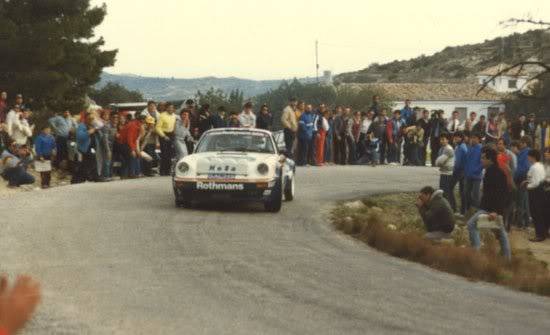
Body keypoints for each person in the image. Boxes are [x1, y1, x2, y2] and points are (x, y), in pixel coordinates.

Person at [466, 146, 512, 260]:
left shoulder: (495, 172)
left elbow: (501, 194)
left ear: (490, 159)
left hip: (491, 209)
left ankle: (476, 253)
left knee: (471, 224)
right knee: (500, 231)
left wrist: (496, 212)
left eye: (483, 158)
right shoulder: (491, 171)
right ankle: (507, 258)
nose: (481, 160)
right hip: (491, 208)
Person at [522, 149, 547, 242]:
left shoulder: (534, 167)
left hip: (535, 192)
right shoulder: (540, 166)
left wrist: (527, 186)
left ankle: (539, 235)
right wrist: (528, 181)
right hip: (540, 191)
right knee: (540, 213)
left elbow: (535, 183)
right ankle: (542, 233)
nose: (527, 157)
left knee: (536, 213)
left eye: (528, 156)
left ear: (532, 157)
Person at [72, 113, 98, 183]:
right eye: (89, 118)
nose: (91, 120)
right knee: (83, 164)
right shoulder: (82, 126)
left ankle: (92, 177)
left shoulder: (92, 126)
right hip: (84, 148)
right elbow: (80, 137)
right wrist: (88, 132)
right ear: (86, 119)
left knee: (92, 161)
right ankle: (77, 179)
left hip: (92, 148)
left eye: (92, 119)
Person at [514, 136, 532, 228]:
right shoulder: (523, 152)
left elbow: (524, 167)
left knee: (520, 202)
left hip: (521, 179)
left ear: (525, 143)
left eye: (521, 142)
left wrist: (515, 176)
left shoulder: (526, 152)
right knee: (524, 201)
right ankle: (526, 222)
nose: (519, 144)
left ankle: (520, 223)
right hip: (523, 179)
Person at [156, 103, 177, 176]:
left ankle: (168, 171)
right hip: (163, 134)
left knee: (170, 154)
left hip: (171, 135)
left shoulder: (174, 116)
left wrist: (174, 134)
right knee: (164, 154)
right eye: (169, 108)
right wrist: (164, 136)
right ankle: (162, 171)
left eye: (172, 108)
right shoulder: (162, 115)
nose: (171, 109)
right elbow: (158, 127)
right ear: (166, 108)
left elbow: (174, 125)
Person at [464, 132, 483, 211]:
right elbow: (467, 160)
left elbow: (482, 162)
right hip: (468, 175)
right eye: (472, 138)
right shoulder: (470, 148)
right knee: (467, 193)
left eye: (475, 138)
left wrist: (477, 170)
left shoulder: (481, 148)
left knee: (475, 195)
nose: (473, 139)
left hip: (476, 176)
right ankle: (468, 210)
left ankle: (476, 210)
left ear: (479, 140)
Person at [451, 131, 468, 214]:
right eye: (455, 137)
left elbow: (458, 163)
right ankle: (462, 210)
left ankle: (454, 208)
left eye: (457, 137)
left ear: (461, 138)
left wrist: (453, 168)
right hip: (461, 171)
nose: (455, 138)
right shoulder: (459, 146)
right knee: (462, 192)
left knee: (450, 188)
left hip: (459, 171)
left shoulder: (462, 148)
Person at [435, 133, 455, 205]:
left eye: (443, 139)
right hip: (444, 173)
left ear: (447, 140)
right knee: (444, 192)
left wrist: (438, 162)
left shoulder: (448, 149)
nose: (441, 141)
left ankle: (451, 208)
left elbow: (439, 162)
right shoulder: (442, 149)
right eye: (441, 139)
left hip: (447, 174)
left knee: (446, 193)